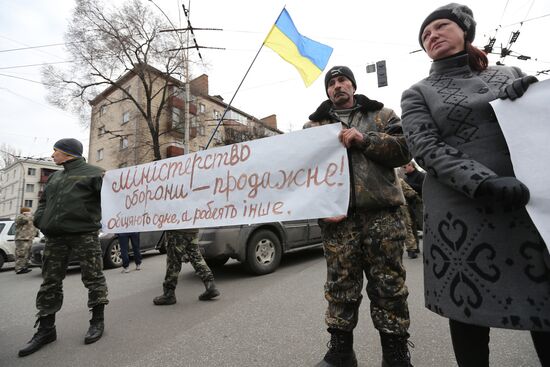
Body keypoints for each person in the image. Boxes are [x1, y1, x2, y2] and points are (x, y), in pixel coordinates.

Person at [401, 3, 550, 366]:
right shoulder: (418, 92)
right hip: (461, 214)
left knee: (543, 303)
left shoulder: (509, 73)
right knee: (468, 308)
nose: (431, 35)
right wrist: (483, 182)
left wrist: (533, 99)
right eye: (425, 35)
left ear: (465, 31)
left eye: (439, 27)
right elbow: (426, 147)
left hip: (526, 205)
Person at [305, 66, 413, 367]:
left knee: (388, 285)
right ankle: (341, 352)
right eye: (332, 83)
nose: (338, 86)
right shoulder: (314, 126)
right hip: (338, 220)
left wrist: (364, 140)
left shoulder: (383, 115)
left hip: (382, 215)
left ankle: (395, 354)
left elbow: (404, 150)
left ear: (353, 85)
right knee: (340, 285)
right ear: (327, 91)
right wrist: (321, 210)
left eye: (343, 81)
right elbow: (305, 175)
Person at [18, 138, 108, 357]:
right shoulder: (56, 176)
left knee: (93, 278)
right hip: (55, 237)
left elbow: (113, 200)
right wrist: (40, 220)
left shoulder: (95, 173)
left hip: (84, 234)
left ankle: (97, 321)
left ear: (68, 154)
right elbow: (44, 202)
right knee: (50, 282)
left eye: (55, 151)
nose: (52, 155)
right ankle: (46, 329)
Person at [153, 229, 220, 305]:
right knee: (196, 257)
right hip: (192, 229)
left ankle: (169, 294)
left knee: (174, 260)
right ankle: (210, 285)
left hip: (177, 229)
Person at [398, 179, 421, 259]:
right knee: (407, 228)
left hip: (385, 209)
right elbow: (410, 192)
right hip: (400, 207)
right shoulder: (398, 180)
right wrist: (417, 198)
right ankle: (411, 249)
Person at [14, 207, 37, 274]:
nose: (29, 213)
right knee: (21, 254)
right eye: (28, 211)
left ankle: (24, 267)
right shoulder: (20, 217)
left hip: (28, 238)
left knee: (27, 254)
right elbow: (25, 220)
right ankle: (19, 269)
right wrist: (28, 215)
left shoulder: (29, 218)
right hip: (21, 239)